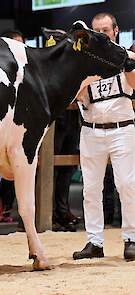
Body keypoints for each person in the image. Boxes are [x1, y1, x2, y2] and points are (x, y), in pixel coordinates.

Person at [73, 12, 135, 261]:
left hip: (123, 128)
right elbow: (78, 95)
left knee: (127, 185)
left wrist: (127, 62)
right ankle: (94, 241)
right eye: (96, 31)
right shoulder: (85, 60)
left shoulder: (126, 57)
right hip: (91, 130)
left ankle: (131, 238)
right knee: (90, 189)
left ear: (116, 31)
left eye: (106, 30)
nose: (101, 34)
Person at [0, 29, 24, 218]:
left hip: (21, 125)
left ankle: (7, 211)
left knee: (18, 169)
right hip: (0, 126)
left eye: (21, 44)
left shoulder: (26, 68)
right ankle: (1, 210)